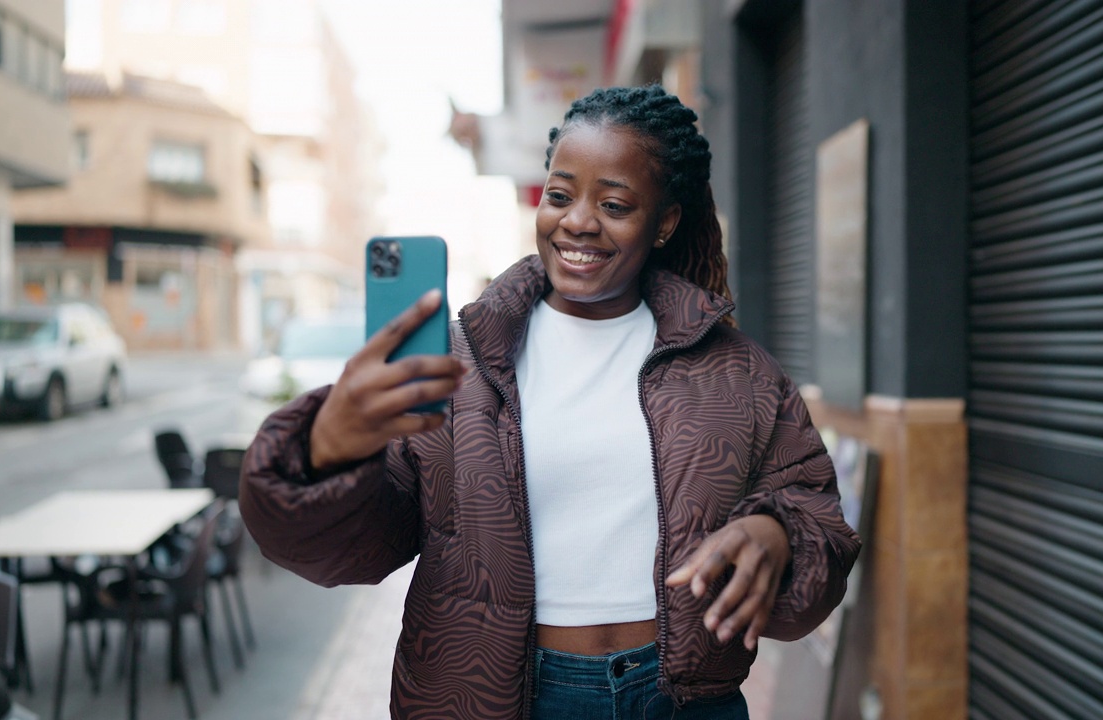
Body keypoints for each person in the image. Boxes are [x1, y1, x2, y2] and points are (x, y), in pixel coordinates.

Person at [240, 84, 861, 719]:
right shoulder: (459, 369)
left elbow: (819, 521)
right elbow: (355, 548)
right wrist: (326, 453)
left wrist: (775, 530)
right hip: (505, 699)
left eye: (615, 204)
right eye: (559, 196)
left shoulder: (735, 371)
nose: (578, 221)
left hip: (682, 702)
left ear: (664, 222)